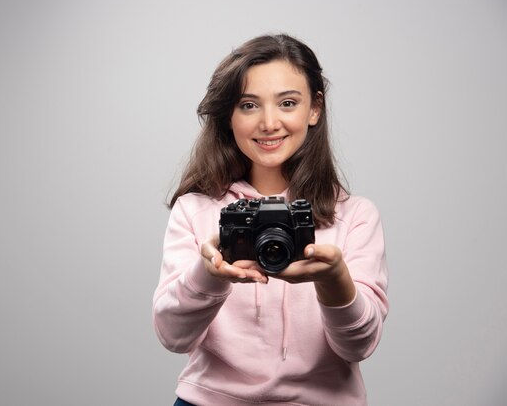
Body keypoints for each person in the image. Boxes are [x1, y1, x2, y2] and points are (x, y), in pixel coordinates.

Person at [153, 34, 389, 406]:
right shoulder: (196, 210)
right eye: (248, 105)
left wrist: (333, 280)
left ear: (314, 108)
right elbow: (172, 337)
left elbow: (358, 346)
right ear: (229, 116)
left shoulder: (355, 216)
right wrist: (209, 274)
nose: (268, 122)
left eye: (288, 103)